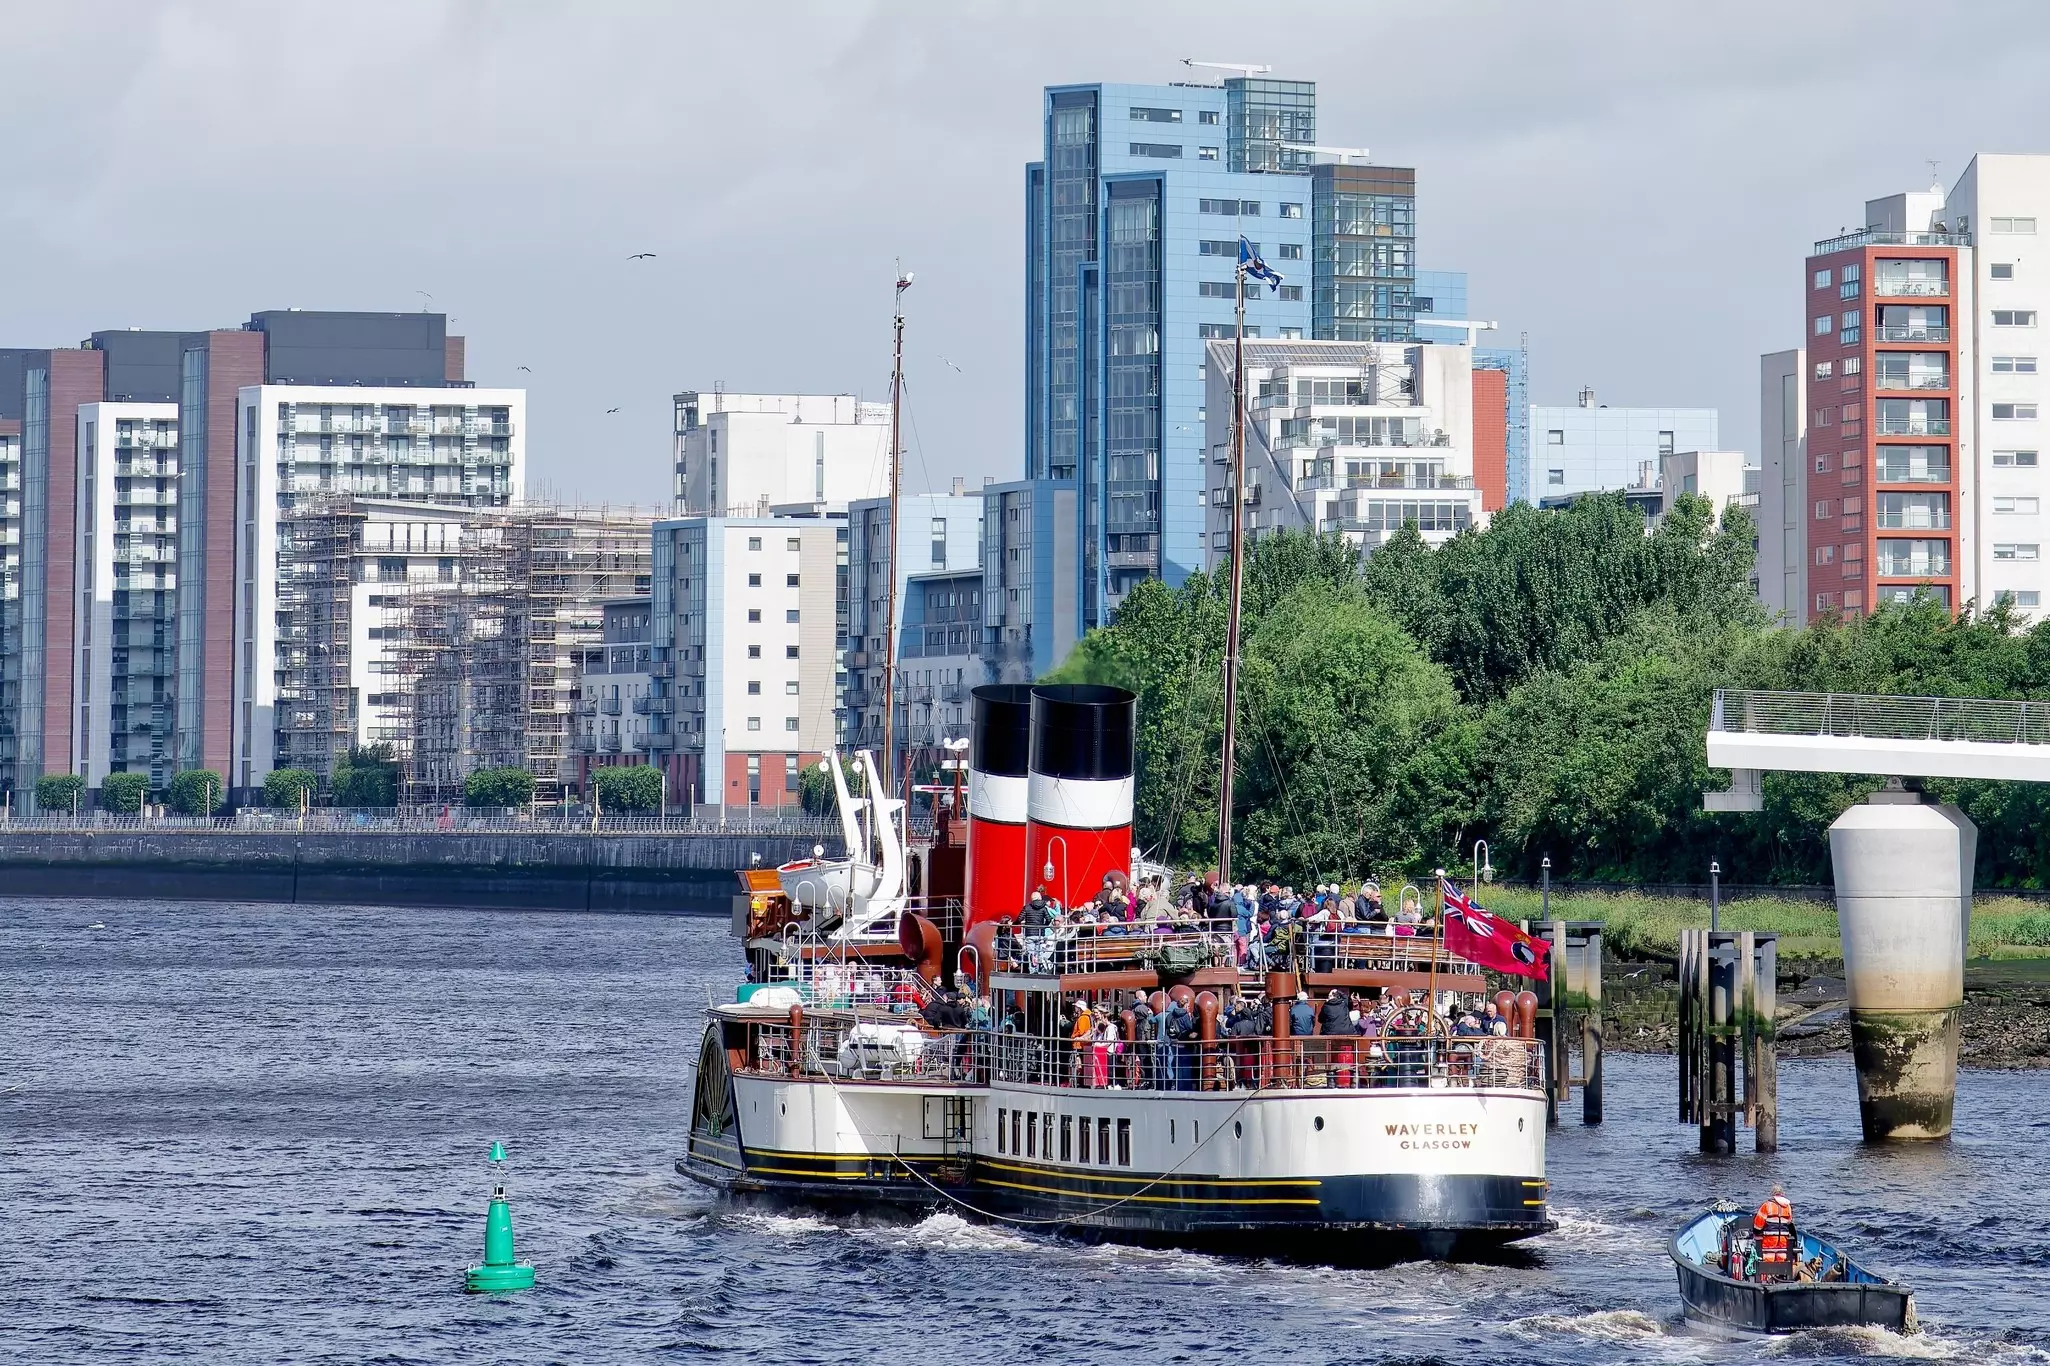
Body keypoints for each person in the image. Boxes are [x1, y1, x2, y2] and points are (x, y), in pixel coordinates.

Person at [1753, 1184, 1796, 1280]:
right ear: (1782, 1193)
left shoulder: (1767, 1205)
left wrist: (1756, 1232)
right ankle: (1781, 1276)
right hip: (1784, 1239)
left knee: (1768, 1256)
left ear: (1772, 1194)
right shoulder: (1787, 1206)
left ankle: (1767, 1276)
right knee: (1782, 1255)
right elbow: (1789, 1222)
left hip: (1770, 1239)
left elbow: (1758, 1225)